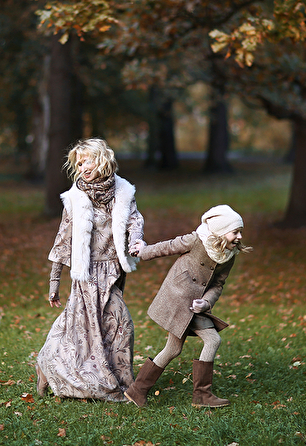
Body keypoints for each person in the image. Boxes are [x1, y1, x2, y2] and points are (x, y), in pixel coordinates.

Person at [35, 138, 145, 401]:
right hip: (87, 273)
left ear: (102, 160)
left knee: (117, 326)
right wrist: (54, 282)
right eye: (79, 163)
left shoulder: (122, 191)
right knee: (86, 330)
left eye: (88, 161)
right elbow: (63, 240)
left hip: (112, 271)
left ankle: (121, 383)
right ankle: (53, 368)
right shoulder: (75, 198)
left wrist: (136, 240)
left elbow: (134, 220)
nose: (83, 167)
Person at [124, 205, 251, 408]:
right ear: (221, 231)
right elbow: (169, 246)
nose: (239, 237)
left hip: (196, 305)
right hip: (179, 298)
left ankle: (137, 390)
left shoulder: (229, 254)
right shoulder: (196, 240)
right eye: (235, 232)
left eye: (240, 232)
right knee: (210, 340)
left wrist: (207, 302)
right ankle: (201, 395)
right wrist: (144, 251)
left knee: (173, 349)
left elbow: (218, 284)